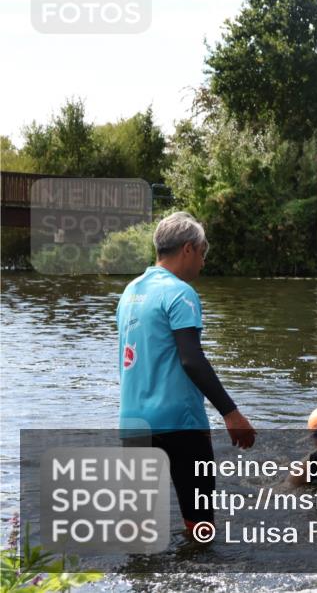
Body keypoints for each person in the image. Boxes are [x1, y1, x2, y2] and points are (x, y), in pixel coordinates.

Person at [117, 211, 255, 534]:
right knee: (200, 528)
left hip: (133, 423)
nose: (203, 264)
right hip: (181, 424)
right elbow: (191, 359)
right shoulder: (180, 293)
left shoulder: (130, 292)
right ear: (188, 249)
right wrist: (231, 413)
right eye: (203, 255)